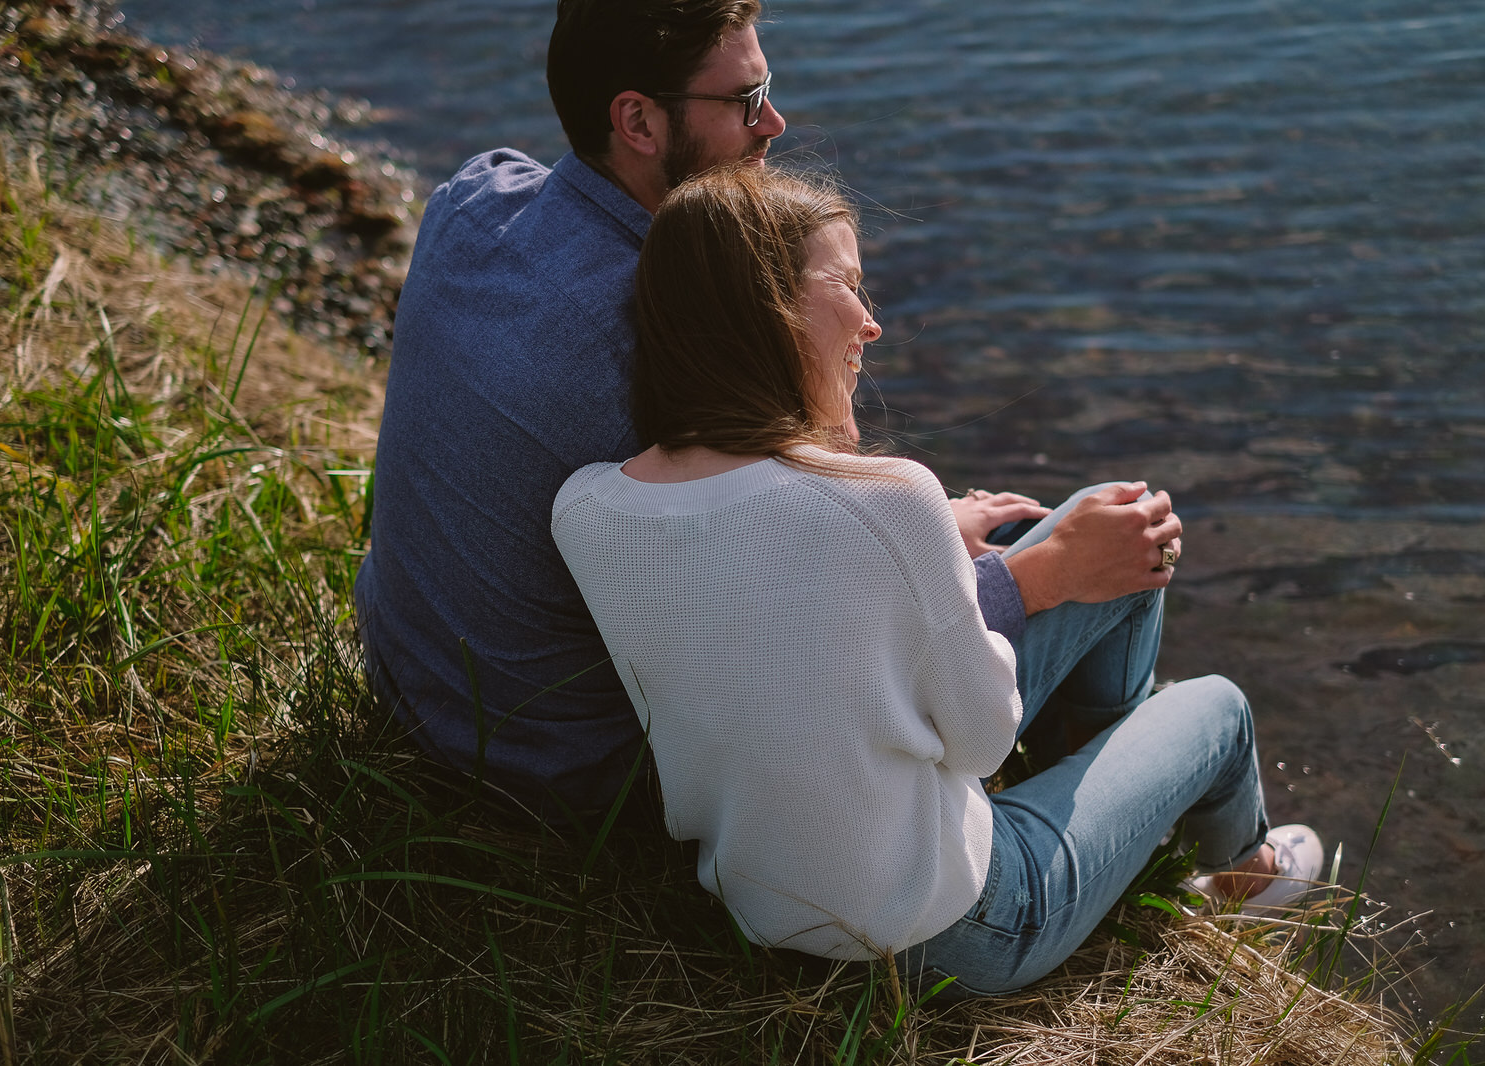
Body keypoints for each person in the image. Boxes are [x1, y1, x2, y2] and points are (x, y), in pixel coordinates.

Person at [355, 0, 1199, 825]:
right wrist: (1033, 576)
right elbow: (814, 638)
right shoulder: (671, 346)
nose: (776, 124)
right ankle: (1128, 843)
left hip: (414, 687)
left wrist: (930, 535)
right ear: (638, 122)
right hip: (571, 774)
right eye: (745, 100)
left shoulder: (474, 198)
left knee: (997, 544)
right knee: (1105, 546)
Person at [550, 165, 1324, 995]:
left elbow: (770, 614)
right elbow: (980, 741)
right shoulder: (887, 499)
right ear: (763, 311)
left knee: (1092, 543)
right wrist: (958, 555)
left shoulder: (588, 508)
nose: (872, 324)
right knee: (1216, 709)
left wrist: (934, 552)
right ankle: (1244, 872)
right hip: (957, 927)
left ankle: (1110, 823)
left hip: (763, 906)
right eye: (847, 285)